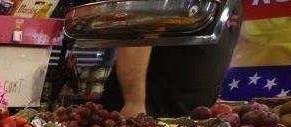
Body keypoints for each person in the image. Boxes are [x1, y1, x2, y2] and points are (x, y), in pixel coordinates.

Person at [100, 0, 242, 118]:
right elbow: (138, 37)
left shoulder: (235, 4)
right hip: (146, 116)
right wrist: (134, 103)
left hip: (185, 121)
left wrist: (210, 100)